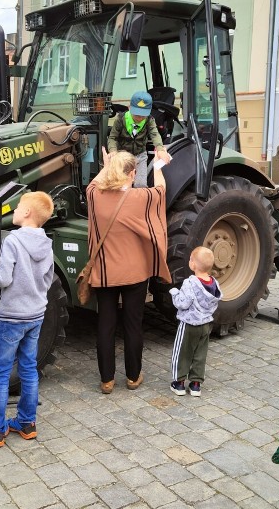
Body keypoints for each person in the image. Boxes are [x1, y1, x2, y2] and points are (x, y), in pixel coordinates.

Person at [87, 148, 171, 393]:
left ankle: (107, 380)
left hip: (105, 273)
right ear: (133, 173)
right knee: (133, 324)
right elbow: (161, 191)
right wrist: (157, 166)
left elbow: (96, 183)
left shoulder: (94, 196)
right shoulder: (142, 198)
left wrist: (106, 164)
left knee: (106, 323)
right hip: (135, 274)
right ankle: (133, 377)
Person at [0, 191, 55, 448]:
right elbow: (47, 280)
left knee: (1, 371)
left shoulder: (13, 240)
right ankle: (27, 423)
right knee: (28, 368)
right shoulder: (46, 243)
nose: (13, 211)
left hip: (11, 316)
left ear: (27, 213)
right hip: (36, 314)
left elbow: (4, 278)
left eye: (17, 208)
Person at [169, 246, 221, 397]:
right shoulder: (214, 284)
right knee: (200, 353)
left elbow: (182, 304)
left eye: (191, 259)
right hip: (206, 324)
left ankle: (179, 383)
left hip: (189, 324)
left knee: (182, 352)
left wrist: (174, 293)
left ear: (194, 265)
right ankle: (196, 384)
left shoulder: (189, 283)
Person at [107, 90, 171, 187]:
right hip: (123, 156)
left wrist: (160, 149)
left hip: (140, 155)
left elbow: (155, 135)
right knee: (122, 185)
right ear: (129, 108)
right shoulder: (121, 119)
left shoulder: (149, 120)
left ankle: (139, 200)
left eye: (143, 115)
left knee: (140, 184)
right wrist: (113, 151)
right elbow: (112, 137)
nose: (140, 118)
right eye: (137, 114)